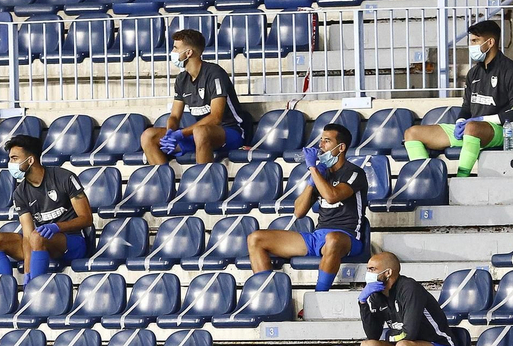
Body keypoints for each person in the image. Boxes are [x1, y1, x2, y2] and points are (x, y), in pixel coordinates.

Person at [246, 124, 367, 292]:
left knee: (333, 239)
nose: (321, 145)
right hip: (318, 237)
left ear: (341, 147)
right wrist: (312, 182)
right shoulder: (321, 174)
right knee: (256, 238)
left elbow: (332, 197)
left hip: (347, 237)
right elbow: (299, 212)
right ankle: (267, 294)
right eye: (321, 140)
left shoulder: (354, 173)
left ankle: (318, 297)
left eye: (327, 141)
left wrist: (312, 169)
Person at [402, 20, 513, 178]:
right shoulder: (473, 73)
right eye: (471, 41)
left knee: (473, 127)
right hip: (470, 129)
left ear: (490, 42)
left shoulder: (511, 70)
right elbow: (467, 106)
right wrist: (461, 120)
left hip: (498, 131)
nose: (471, 46)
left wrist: (483, 119)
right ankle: (425, 179)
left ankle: (462, 179)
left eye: (475, 41)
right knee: (412, 132)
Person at [0, 135, 96, 282]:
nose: (10, 163)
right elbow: (27, 235)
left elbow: (87, 219)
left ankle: (35, 291)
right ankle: (6, 291)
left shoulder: (64, 177)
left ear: (30, 160)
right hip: (40, 243)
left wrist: (57, 227)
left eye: (14, 158)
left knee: (38, 236)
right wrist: (27, 271)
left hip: (73, 242)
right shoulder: (19, 192)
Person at [141, 28, 251, 166]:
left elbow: (215, 118)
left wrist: (181, 134)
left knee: (200, 132)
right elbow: (175, 116)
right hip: (199, 134)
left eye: (175, 48)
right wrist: (170, 133)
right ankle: (163, 183)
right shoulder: (181, 79)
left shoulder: (214, 73)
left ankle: (202, 182)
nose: (172, 52)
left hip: (229, 133)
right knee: (148, 136)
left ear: (188, 53)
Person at [357, 252, 465, 346]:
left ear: (388, 272)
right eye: (367, 269)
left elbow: (409, 333)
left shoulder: (409, 289)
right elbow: (373, 335)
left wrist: (389, 337)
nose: (368, 273)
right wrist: (362, 303)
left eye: (372, 269)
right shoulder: (376, 295)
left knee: (403, 345)